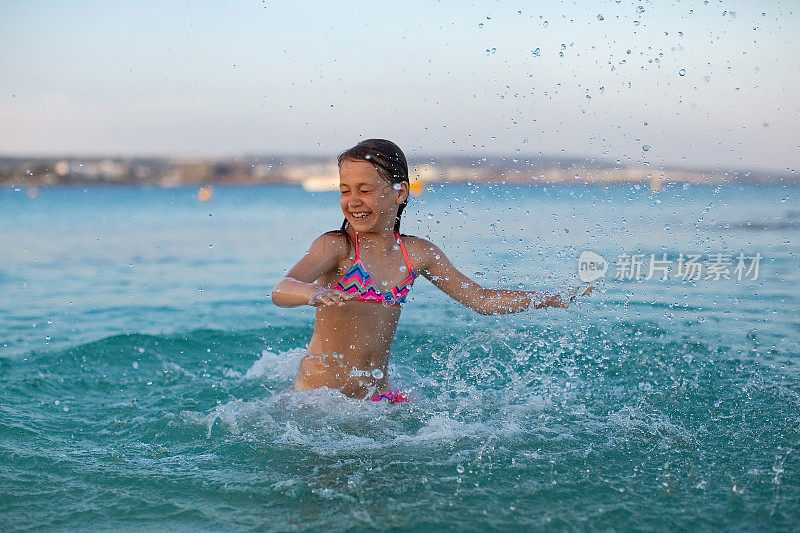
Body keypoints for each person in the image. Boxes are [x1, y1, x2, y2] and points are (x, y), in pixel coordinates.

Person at [271, 139, 591, 402]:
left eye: (364, 189)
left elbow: (480, 299)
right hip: (319, 399)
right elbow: (282, 289)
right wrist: (313, 292)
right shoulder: (337, 247)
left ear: (400, 192)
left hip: (375, 398)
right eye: (345, 190)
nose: (352, 200)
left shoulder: (417, 254)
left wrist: (548, 298)